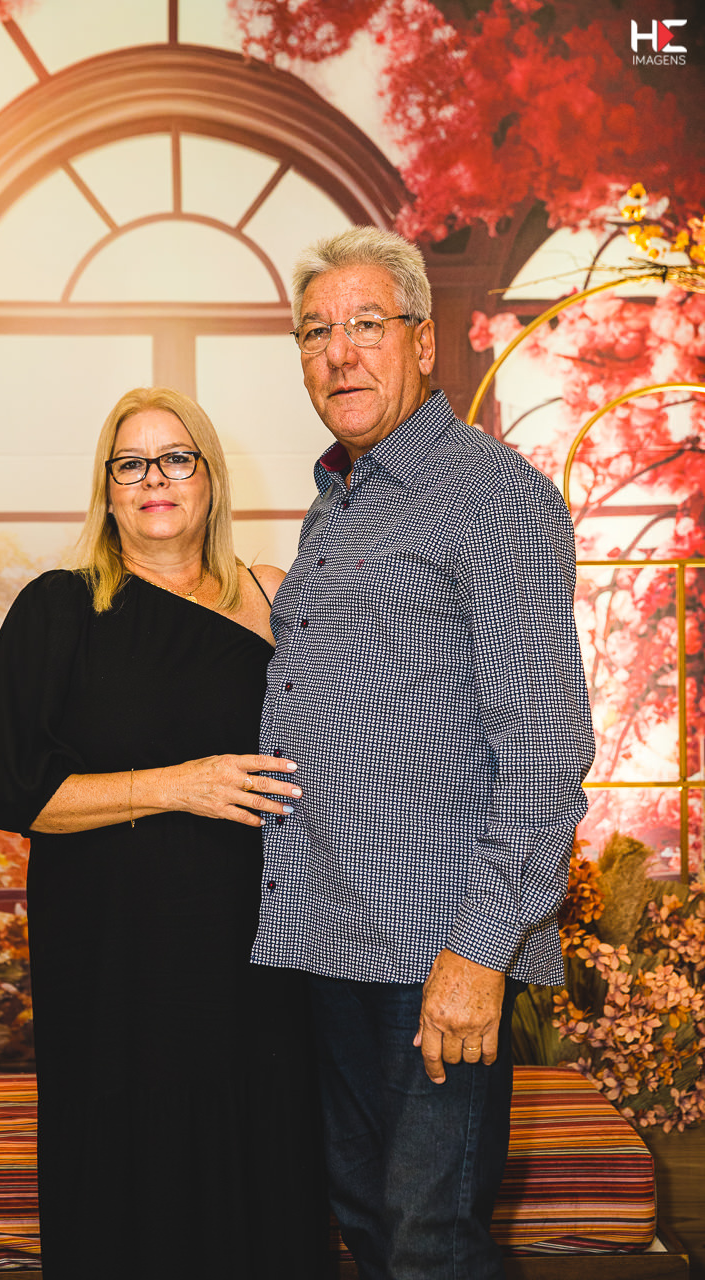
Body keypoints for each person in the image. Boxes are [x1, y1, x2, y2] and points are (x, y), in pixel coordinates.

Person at [252, 227, 596, 1280]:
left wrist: (480, 952)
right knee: (367, 1224)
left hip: (434, 952)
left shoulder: (491, 493)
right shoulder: (333, 504)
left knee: (428, 1242)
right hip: (330, 940)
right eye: (315, 332)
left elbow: (544, 746)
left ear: (422, 340)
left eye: (366, 324)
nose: (339, 352)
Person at [0, 387, 329, 1280]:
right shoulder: (57, 609)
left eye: (176, 458)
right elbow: (14, 794)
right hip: (115, 965)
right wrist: (179, 785)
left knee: (263, 1166)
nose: (154, 480)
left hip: (259, 952)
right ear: (107, 490)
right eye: (130, 464)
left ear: (210, 477)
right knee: (130, 1182)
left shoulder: (271, 596)